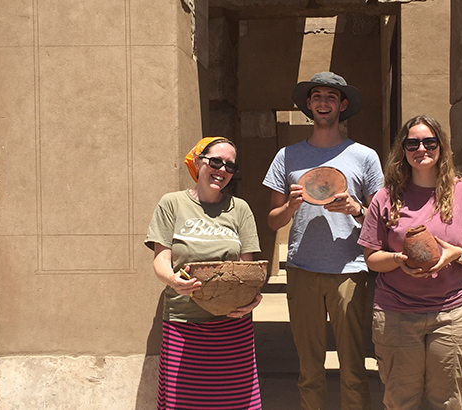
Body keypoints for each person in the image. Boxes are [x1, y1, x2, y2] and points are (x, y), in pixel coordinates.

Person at [357, 115, 462, 410]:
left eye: (429, 141)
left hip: (452, 314)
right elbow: (372, 258)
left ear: (441, 147)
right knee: (400, 401)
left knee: (447, 402)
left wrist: (455, 253)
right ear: (403, 150)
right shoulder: (386, 197)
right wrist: (398, 259)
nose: (421, 149)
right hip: (396, 314)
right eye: (413, 143)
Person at [263, 72, 384, 410]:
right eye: (317, 96)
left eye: (331, 96)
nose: (323, 102)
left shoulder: (364, 156)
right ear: (308, 105)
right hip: (303, 270)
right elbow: (273, 220)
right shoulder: (287, 156)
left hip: (350, 271)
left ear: (342, 105)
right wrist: (290, 205)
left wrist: (354, 208)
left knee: (353, 366)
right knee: (309, 368)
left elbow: (379, 219)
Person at [145, 136, 263, 410]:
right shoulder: (172, 204)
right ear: (198, 162)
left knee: (234, 402)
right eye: (216, 162)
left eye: (230, 166)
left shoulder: (240, 209)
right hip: (183, 322)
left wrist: (252, 298)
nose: (222, 170)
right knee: (183, 402)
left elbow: (247, 269)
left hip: (232, 324)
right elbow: (161, 261)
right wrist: (174, 280)